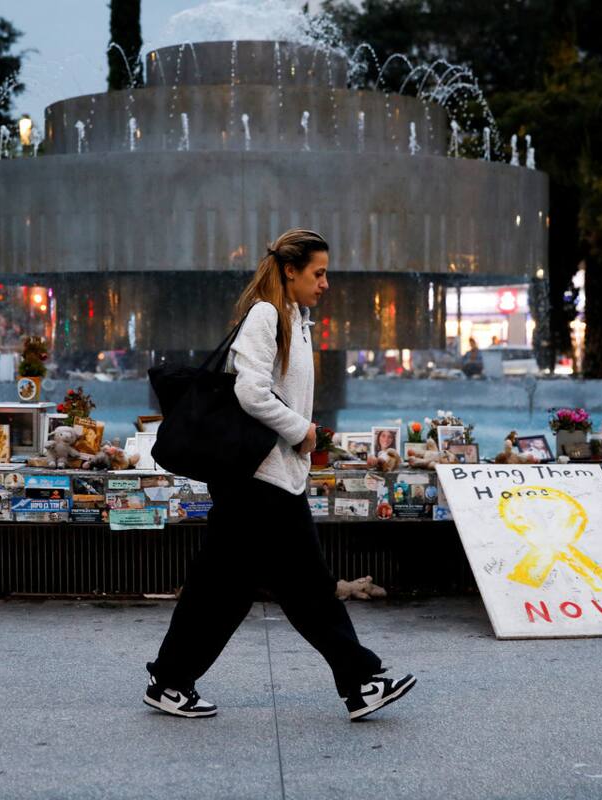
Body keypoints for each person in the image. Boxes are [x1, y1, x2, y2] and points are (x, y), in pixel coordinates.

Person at [144, 229, 415, 721]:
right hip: (261, 482)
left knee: (221, 592)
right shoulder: (267, 315)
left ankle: (169, 681)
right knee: (306, 589)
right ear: (291, 270)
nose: (326, 283)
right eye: (319, 272)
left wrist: (301, 440)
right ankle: (360, 683)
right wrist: (302, 431)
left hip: (267, 481)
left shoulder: (294, 318)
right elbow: (251, 392)